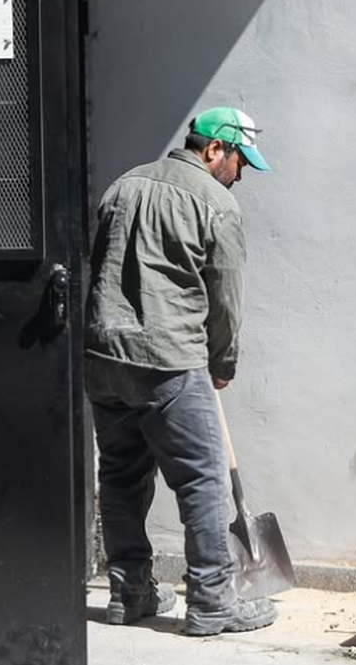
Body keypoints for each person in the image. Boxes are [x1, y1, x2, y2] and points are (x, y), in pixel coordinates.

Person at [84, 106, 275, 636]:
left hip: (103, 358)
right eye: (240, 163)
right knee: (204, 482)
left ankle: (130, 593)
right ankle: (214, 601)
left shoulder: (122, 188)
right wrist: (222, 363)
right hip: (169, 361)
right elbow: (227, 299)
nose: (241, 178)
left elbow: (96, 264)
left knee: (121, 475)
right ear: (215, 149)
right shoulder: (216, 205)